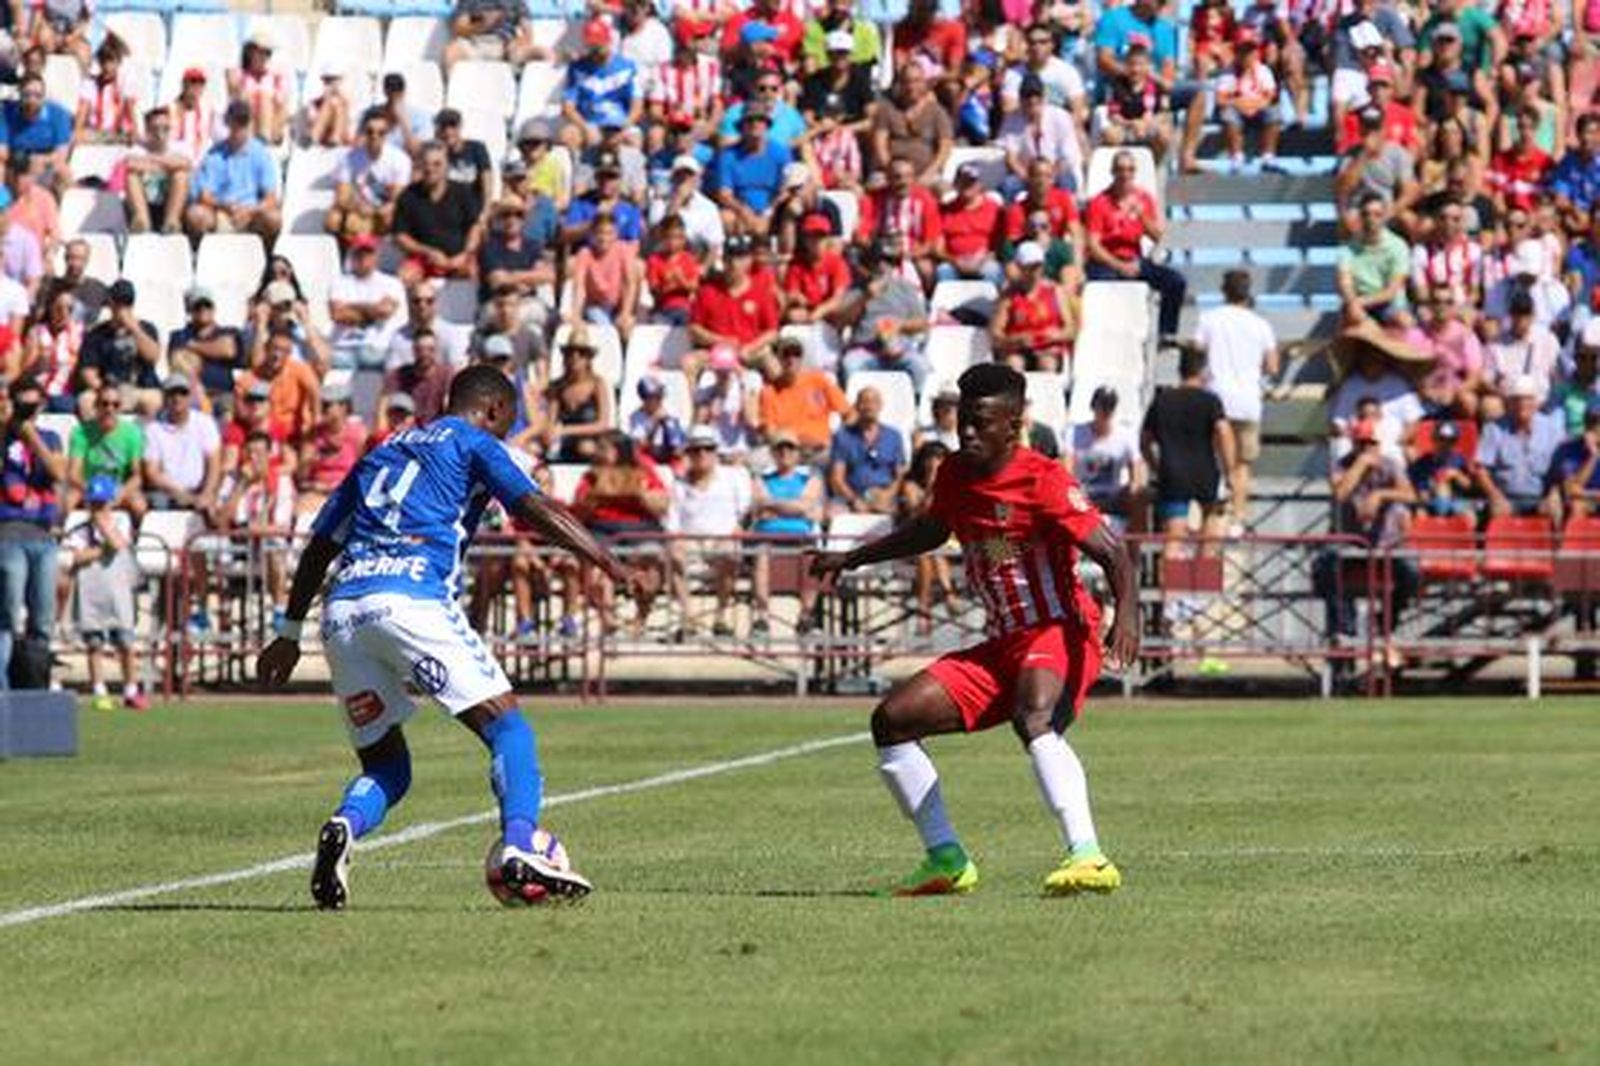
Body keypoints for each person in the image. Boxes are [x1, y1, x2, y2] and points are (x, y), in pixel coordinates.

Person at [257, 365, 643, 908]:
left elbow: (320, 543)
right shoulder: (473, 441)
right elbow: (533, 508)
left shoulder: (381, 450)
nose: (506, 434)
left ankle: (345, 823)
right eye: (507, 423)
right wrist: (611, 565)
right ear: (491, 412)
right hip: (411, 597)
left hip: (343, 611)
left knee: (387, 766)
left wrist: (287, 631)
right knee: (509, 728)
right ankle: (520, 845)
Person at [809, 363, 1139, 897]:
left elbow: (1113, 551)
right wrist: (852, 558)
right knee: (892, 720)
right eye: (963, 420)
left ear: (1012, 424)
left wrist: (1129, 613)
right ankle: (947, 860)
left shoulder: (1044, 478)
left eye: (980, 423)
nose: (965, 433)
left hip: (1059, 629)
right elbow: (930, 531)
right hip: (1003, 642)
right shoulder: (957, 475)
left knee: (1033, 715)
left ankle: (1088, 855)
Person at [1312, 416, 1418, 648]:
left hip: (1386, 542)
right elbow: (1340, 494)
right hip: (1349, 541)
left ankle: (1386, 622)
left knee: (1412, 571)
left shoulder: (1390, 465)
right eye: (1362, 443)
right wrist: (1360, 466)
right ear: (1353, 443)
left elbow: (1410, 495)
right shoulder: (1342, 465)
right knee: (1325, 566)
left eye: (1372, 444)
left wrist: (1380, 495)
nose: (1367, 449)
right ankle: (1344, 630)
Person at [1196, 270, 1279, 528]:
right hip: (1247, 401)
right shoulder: (1261, 324)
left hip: (1215, 398)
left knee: (1213, 459)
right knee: (1243, 463)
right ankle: (1239, 519)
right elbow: (1273, 366)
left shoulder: (1209, 319)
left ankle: (1210, 515)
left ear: (1224, 290)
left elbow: (1197, 352)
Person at [1141, 348, 1233, 560]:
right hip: (1205, 471)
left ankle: (1172, 591)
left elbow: (1144, 441)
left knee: (1174, 537)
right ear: (1203, 371)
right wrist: (1229, 470)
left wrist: (1156, 467)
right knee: (1210, 529)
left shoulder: (1162, 400)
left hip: (1172, 472)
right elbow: (1224, 432)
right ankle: (1203, 586)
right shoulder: (1210, 400)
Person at [0, 376, 62, 690]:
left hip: (42, 534)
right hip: (8, 534)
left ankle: (37, 682)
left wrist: (30, 436)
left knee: (43, 617)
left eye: (32, 405)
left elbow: (58, 472)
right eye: (21, 405)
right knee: (8, 614)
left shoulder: (49, 437)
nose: (27, 412)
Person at [1084, 150, 1186, 340]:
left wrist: (1142, 217)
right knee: (1105, 283)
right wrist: (1119, 266)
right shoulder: (1099, 203)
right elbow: (1093, 245)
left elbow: (1158, 237)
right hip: (1107, 261)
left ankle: (1167, 332)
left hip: (1134, 259)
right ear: (1113, 172)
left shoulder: (1143, 198)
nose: (1125, 175)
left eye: (1130, 170)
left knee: (1175, 281)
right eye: (1121, 170)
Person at [65, 475, 147, 711]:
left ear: (112, 503)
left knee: (126, 643)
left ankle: (131, 689)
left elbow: (118, 544)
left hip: (118, 594)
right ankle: (99, 689)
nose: (98, 509)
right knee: (94, 644)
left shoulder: (121, 522)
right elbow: (76, 556)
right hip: (92, 595)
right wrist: (98, 549)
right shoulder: (79, 530)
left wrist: (101, 532)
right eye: (94, 504)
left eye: (103, 504)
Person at [671, 424, 751, 638]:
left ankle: (721, 616)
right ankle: (687, 618)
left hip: (723, 538)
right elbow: (672, 520)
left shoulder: (734, 477)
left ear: (716, 452)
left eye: (708, 449)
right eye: (696, 450)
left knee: (730, 552)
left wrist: (736, 530)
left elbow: (745, 515)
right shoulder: (678, 483)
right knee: (673, 552)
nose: (702, 454)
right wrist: (676, 539)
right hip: (690, 540)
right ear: (688, 453)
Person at [749, 429, 822, 636]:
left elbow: (806, 506)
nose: (785, 453)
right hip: (768, 537)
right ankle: (762, 617)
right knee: (761, 558)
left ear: (798, 453)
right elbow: (760, 502)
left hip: (800, 537)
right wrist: (797, 507)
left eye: (790, 448)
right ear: (773, 452)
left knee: (813, 559)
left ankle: (806, 616)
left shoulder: (809, 478)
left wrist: (773, 505)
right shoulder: (761, 478)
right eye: (780, 448)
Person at [186, 100, 282, 243]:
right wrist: (224, 206)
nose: (238, 127)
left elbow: (271, 198)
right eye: (235, 122)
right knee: (195, 215)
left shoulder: (261, 153)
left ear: (250, 124)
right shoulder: (214, 154)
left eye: (243, 122)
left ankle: (267, 257)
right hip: (220, 212)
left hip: (251, 214)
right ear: (228, 123)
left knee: (273, 219)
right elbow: (204, 195)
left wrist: (250, 210)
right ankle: (198, 255)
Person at [1473, 374, 1563, 517]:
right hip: (1505, 496)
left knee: (1554, 507)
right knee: (1497, 510)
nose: (1522, 403)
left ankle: (1556, 540)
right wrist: (1495, 495)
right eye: (1517, 399)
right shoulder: (1494, 428)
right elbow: (1481, 469)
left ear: (1536, 402)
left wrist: (1554, 491)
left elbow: (1561, 468)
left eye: (1527, 398)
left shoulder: (1552, 429)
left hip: (1541, 496)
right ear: (1508, 403)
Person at [393, 142, 482, 284]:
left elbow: (475, 228)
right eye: (426, 164)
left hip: (459, 258)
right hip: (423, 259)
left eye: (437, 164)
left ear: (447, 166)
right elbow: (400, 236)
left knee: (474, 273)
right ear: (420, 165)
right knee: (404, 276)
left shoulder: (463, 192)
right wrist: (427, 252)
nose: (430, 169)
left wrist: (465, 254)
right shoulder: (408, 195)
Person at [1065, 386, 1144, 535]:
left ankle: (1135, 551)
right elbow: (1067, 468)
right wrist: (1075, 492)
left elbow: (1137, 469)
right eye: (1102, 407)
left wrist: (1134, 487)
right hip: (1084, 496)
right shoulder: (1075, 433)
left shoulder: (1126, 435)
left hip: (1113, 497)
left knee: (1140, 495)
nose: (1106, 412)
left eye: (1109, 407)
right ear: (1093, 407)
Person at [759, 336, 850, 460]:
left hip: (821, 449)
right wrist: (794, 445)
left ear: (801, 359)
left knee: (842, 455)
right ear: (779, 359)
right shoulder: (769, 392)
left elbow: (848, 413)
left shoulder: (819, 381)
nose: (791, 359)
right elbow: (770, 432)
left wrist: (841, 440)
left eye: (796, 354)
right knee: (759, 459)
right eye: (786, 355)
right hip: (788, 452)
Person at [327, 109, 411, 242]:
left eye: (381, 132)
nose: (375, 136)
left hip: (383, 211)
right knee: (333, 219)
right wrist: (357, 206)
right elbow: (341, 196)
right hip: (359, 208)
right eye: (370, 131)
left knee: (389, 216)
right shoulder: (348, 158)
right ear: (363, 132)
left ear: (387, 134)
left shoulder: (400, 159)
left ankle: (382, 256)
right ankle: (344, 257)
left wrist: (377, 210)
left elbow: (397, 199)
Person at [142, 374, 221, 514]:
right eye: (172, 393)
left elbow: (214, 464)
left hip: (200, 490)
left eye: (182, 393)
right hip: (167, 493)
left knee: (214, 509)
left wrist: (207, 493)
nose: (177, 398)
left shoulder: (205, 423)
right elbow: (152, 473)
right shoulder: (153, 430)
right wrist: (181, 494)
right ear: (164, 397)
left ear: (189, 397)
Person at [66, 383, 146, 520]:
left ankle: (136, 537)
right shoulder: (80, 432)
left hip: (118, 486)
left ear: (120, 408)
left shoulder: (132, 433)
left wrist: (121, 492)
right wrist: (90, 489)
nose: (110, 409)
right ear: (96, 406)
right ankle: (62, 534)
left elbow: (137, 475)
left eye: (115, 405)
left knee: (139, 505)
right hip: (89, 485)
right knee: (68, 500)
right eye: (105, 404)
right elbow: (73, 473)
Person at [992, 242, 1074, 373]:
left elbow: (1070, 330)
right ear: (1020, 267)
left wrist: (1056, 335)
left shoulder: (1055, 291)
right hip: (1018, 349)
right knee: (1014, 363)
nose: (1034, 272)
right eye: (1029, 267)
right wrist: (1014, 340)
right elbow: (995, 334)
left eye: (1037, 266)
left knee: (1047, 363)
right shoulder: (1009, 296)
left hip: (1048, 349)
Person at [328, 235, 406, 370]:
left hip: (378, 347)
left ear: (376, 256)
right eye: (359, 253)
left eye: (368, 253)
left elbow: (384, 311)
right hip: (343, 347)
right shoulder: (339, 282)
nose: (363, 258)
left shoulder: (391, 283)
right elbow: (338, 315)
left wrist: (350, 306)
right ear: (352, 256)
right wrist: (372, 310)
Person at [828, 388, 905, 516]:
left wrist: (887, 495)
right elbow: (836, 478)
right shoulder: (843, 436)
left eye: (874, 402)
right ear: (857, 406)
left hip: (884, 496)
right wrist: (854, 500)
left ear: (881, 406)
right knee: (832, 514)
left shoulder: (894, 436)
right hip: (852, 495)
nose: (869, 406)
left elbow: (899, 475)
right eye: (865, 402)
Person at [124, 106, 192, 235]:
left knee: (180, 175)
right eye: (155, 129)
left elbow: (186, 164)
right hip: (146, 201)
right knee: (131, 176)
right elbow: (130, 164)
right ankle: (141, 220)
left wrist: (150, 161)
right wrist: (167, 164)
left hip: (170, 201)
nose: (160, 134)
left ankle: (172, 221)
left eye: (165, 128)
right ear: (147, 130)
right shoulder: (137, 149)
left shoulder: (180, 146)